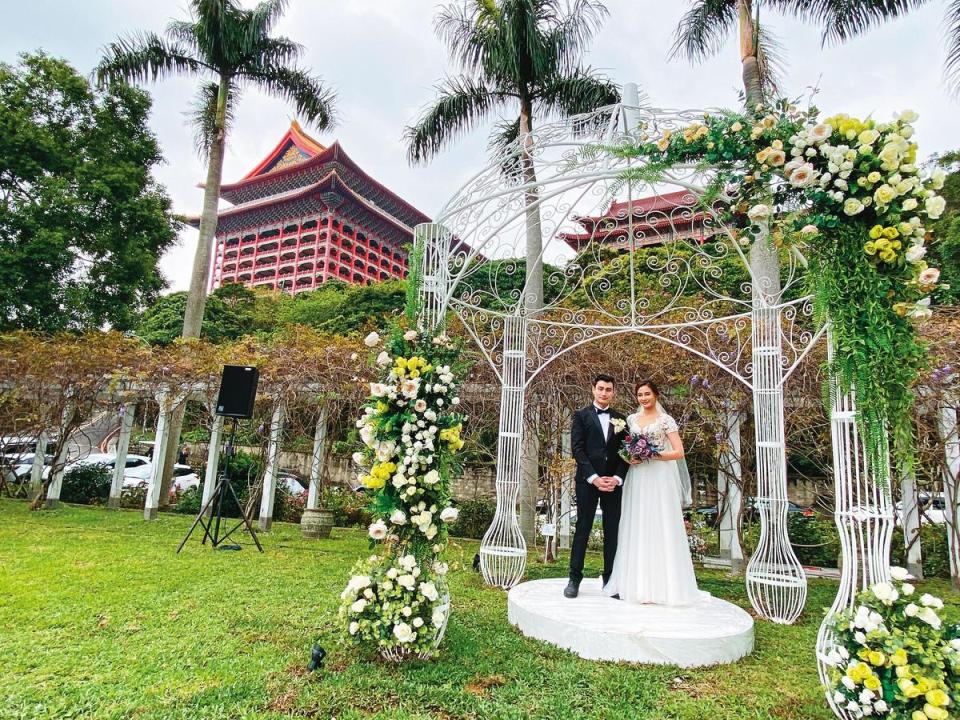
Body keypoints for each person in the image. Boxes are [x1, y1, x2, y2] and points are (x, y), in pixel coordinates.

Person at [603, 380, 704, 605]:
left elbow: (678, 452)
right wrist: (633, 457)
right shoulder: (631, 420)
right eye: (639, 394)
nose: (643, 398)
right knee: (636, 523)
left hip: (659, 477)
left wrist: (652, 455)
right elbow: (625, 449)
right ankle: (635, 583)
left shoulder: (666, 420)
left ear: (656, 395)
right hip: (638, 477)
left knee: (660, 524)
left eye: (647, 394)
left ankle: (663, 586)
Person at [565, 374, 629, 599]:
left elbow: (626, 452)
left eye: (608, 389)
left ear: (613, 392)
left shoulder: (621, 419)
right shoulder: (581, 416)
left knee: (612, 531)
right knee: (583, 528)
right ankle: (574, 578)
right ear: (593, 389)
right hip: (587, 482)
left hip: (613, 484)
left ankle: (610, 579)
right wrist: (593, 477)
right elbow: (578, 449)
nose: (604, 393)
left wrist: (617, 478)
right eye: (600, 388)